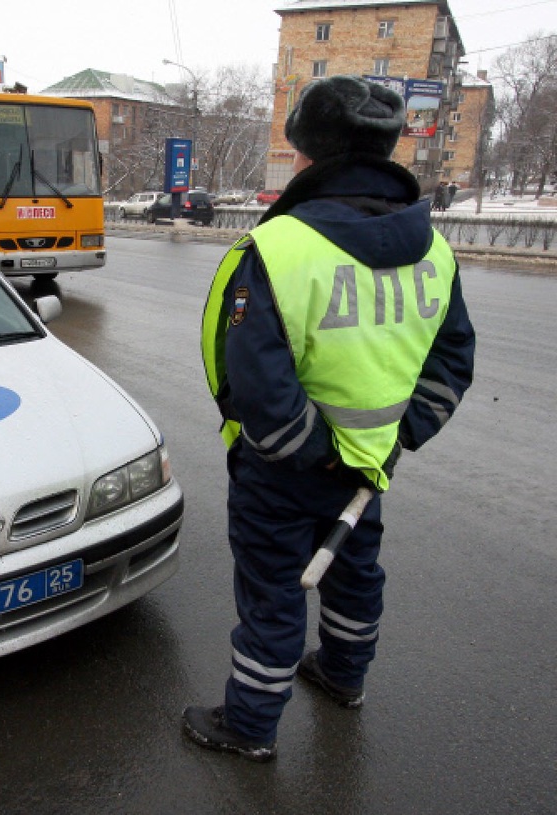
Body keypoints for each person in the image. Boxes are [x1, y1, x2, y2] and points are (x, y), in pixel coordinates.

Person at [185, 75, 475, 762]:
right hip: (368, 467)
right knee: (354, 572)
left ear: (310, 157)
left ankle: (250, 724)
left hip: (285, 469)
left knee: (274, 595)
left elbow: (254, 377)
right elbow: (452, 361)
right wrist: (397, 437)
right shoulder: (435, 249)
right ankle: (344, 677)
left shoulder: (282, 246)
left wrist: (306, 448)